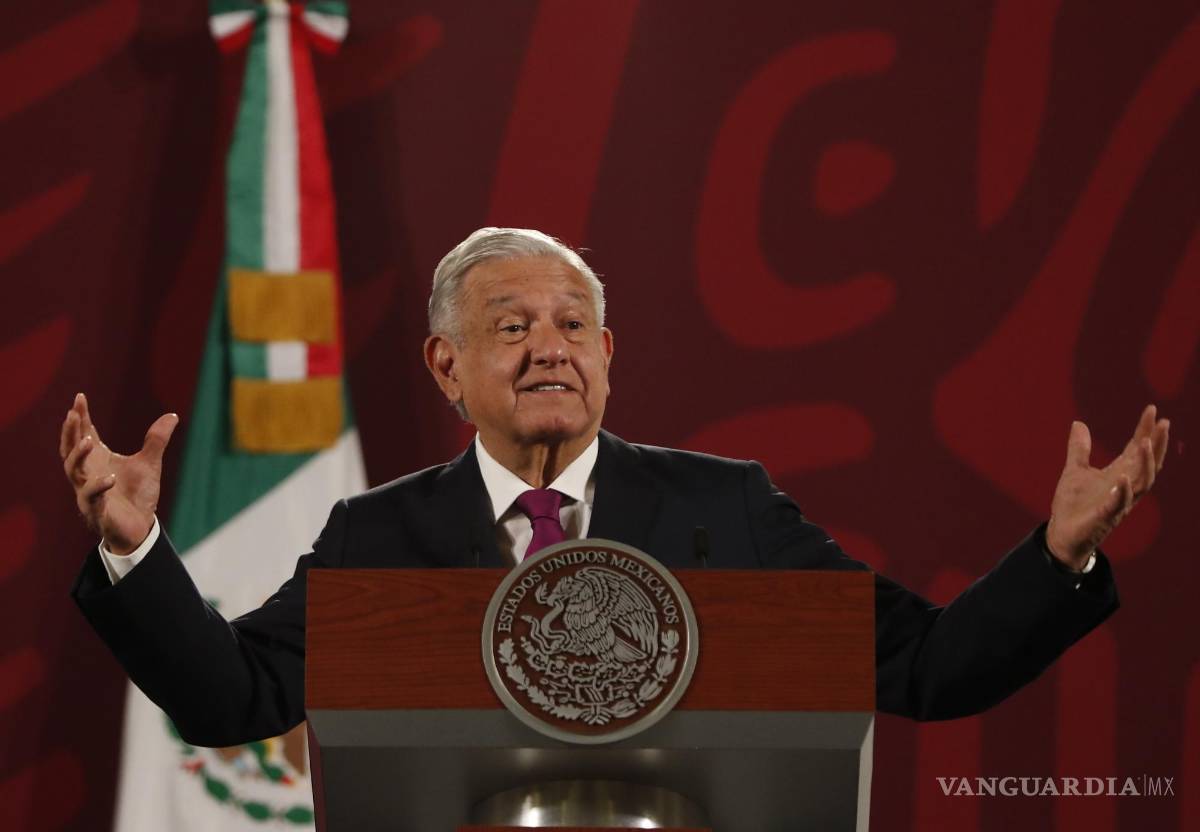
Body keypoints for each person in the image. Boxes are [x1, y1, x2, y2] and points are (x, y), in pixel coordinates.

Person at [65, 227, 1169, 748]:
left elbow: (927, 669)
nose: (551, 349)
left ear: (609, 353)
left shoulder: (727, 509)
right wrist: (134, 549)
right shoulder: (379, 533)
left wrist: (1059, 553)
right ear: (447, 368)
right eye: (512, 327)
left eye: (574, 326)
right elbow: (232, 700)